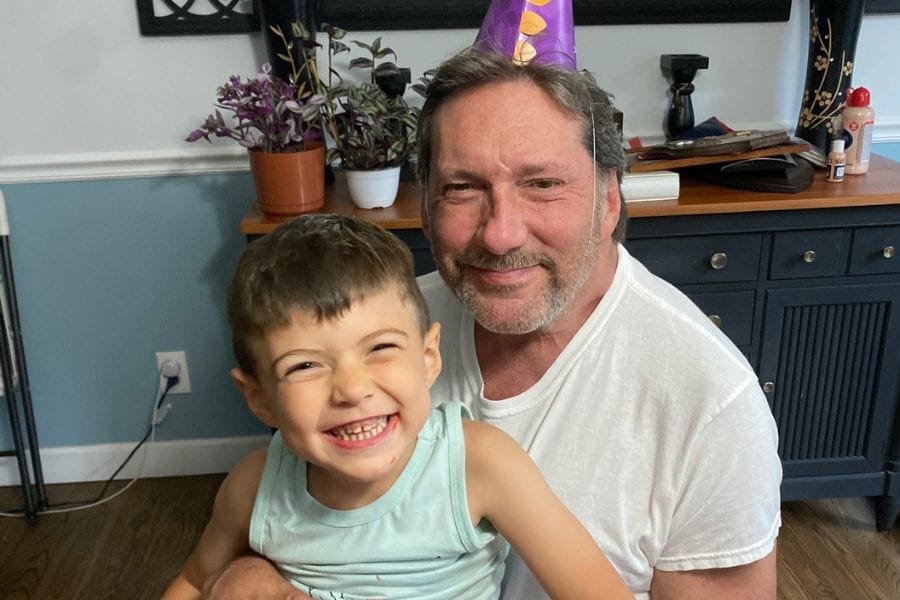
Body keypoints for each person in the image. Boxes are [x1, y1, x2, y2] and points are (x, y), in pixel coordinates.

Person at [162, 214, 632, 600]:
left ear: (427, 359)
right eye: (305, 365)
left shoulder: (477, 464)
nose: (351, 388)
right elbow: (196, 580)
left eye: (379, 348)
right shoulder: (253, 487)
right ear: (260, 399)